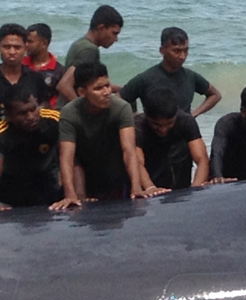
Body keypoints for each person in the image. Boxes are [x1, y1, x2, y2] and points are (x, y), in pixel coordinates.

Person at [50, 62, 146, 210]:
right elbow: (66, 156)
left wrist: (136, 188)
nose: (106, 92)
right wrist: (70, 195)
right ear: (82, 92)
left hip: (114, 170)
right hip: (85, 170)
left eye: (107, 85)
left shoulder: (121, 108)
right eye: (98, 88)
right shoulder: (70, 113)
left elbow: (129, 151)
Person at [119, 27, 221, 118]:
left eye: (185, 50)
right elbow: (120, 98)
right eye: (176, 51)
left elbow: (215, 95)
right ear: (162, 50)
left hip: (183, 134)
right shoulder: (145, 78)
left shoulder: (191, 77)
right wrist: (133, 118)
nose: (182, 56)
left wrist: (193, 115)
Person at [135, 87, 209, 192]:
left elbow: (202, 160)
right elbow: (136, 162)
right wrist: (150, 188)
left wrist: (196, 189)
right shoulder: (138, 125)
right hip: (150, 183)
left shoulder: (186, 121)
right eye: (156, 124)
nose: (163, 129)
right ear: (147, 115)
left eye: (169, 123)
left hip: (181, 183)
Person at [0, 85, 62, 209]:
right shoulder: (2, 132)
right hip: (11, 188)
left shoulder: (54, 120)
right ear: (9, 116)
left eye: (33, 109)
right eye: (22, 113)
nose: (31, 117)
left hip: (46, 184)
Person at [56, 5, 123, 107]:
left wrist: (118, 88)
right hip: (68, 114)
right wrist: (81, 112)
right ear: (101, 28)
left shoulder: (80, 43)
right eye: (114, 33)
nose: (116, 39)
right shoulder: (89, 50)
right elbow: (64, 85)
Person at [0, 24, 49, 116]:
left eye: (17, 47)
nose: (12, 52)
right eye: (6, 47)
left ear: (25, 48)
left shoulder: (35, 78)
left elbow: (44, 107)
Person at [22, 23, 65, 109]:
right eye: (25, 41)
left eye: (30, 42)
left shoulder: (59, 71)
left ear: (44, 43)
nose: (26, 45)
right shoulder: (19, 65)